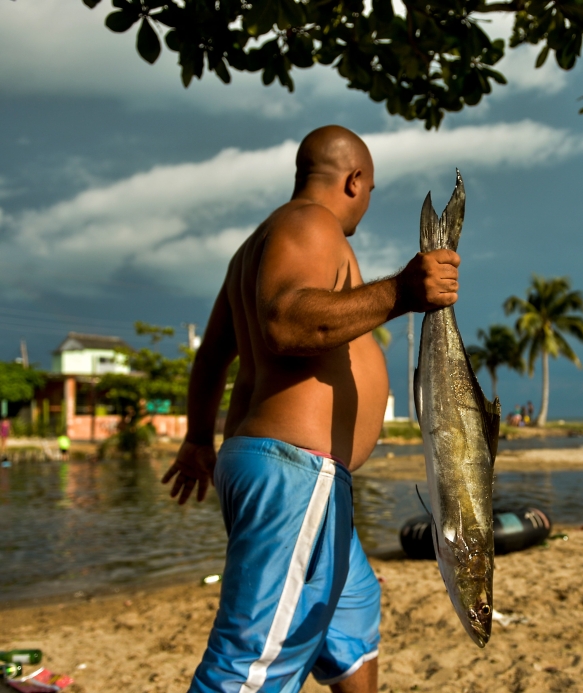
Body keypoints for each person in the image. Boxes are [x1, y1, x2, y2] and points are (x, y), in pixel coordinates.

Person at [160, 125, 460, 693]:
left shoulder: (253, 249)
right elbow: (286, 322)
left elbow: (212, 356)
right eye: (369, 191)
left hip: (286, 468)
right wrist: (400, 292)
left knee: (352, 615)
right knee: (250, 664)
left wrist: (199, 437)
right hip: (296, 469)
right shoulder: (309, 224)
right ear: (355, 181)